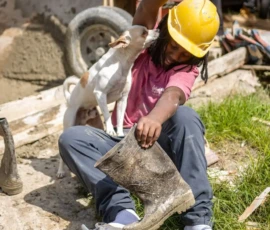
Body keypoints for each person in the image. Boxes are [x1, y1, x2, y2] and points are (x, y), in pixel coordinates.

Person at [58, 0, 220, 229]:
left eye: (185, 54)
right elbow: (146, 9)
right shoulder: (142, 46)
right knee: (71, 138)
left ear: (196, 56)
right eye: (173, 46)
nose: (175, 56)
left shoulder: (187, 70)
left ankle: (198, 221)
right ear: (163, 32)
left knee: (186, 118)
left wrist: (154, 118)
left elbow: (173, 95)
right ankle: (122, 214)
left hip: (157, 150)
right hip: (120, 145)